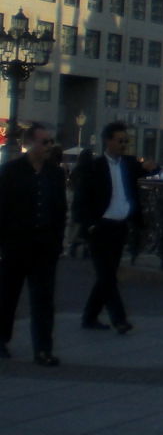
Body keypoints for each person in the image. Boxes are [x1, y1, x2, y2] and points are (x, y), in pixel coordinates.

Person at [0, 123, 68, 365]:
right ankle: (2, 340)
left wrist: (58, 240)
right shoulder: (11, 171)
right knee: (8, 296)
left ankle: (43, 349)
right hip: (16, 244)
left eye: (50, 141)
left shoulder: (55, 173)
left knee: (43, 299)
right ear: (29, 144)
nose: (49, 146)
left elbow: (60, 209)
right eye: (44, 142)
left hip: (45, 245)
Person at [74, 120, 148, 337]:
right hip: (100, 227)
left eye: (126, 141)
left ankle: (89, 316)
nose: (124, 144)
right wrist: (89, 225)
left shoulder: (129, 164)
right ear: (108, 141)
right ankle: (119, 319)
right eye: (120, 140)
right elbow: (81, 199)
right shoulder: (95, 167)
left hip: (120, 226)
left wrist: (152, 168)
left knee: (107, 274)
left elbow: (146, 172)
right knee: (107, 276)